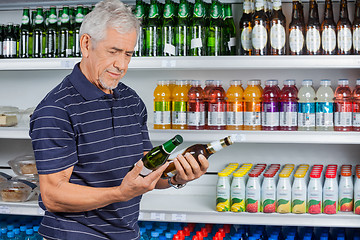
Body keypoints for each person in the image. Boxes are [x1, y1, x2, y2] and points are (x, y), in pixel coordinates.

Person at [29, 0, 209, 239]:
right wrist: (120, 193)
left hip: (126, 233)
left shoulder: (131, 100)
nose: (121, 64)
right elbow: (53, 196)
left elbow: (144, 174)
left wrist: (177, 176)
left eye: (128, 54)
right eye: (113, 52)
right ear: (86, 44)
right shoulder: (57, 109)